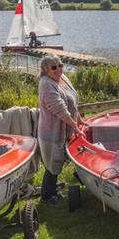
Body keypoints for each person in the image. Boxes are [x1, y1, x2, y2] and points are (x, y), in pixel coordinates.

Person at [37, 55, 84, 203]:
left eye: (60, 65)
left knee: (63, 160)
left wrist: (79, 118)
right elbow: (60, 109)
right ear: (46, 70)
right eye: (54, 67)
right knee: (52, 166)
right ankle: (47, 196)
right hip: (52, 132)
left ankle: (55, 189)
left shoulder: (62, 78)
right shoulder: (46, 84)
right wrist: (74, 125)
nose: (58, 69)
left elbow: (72, 102)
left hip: (66, 129)